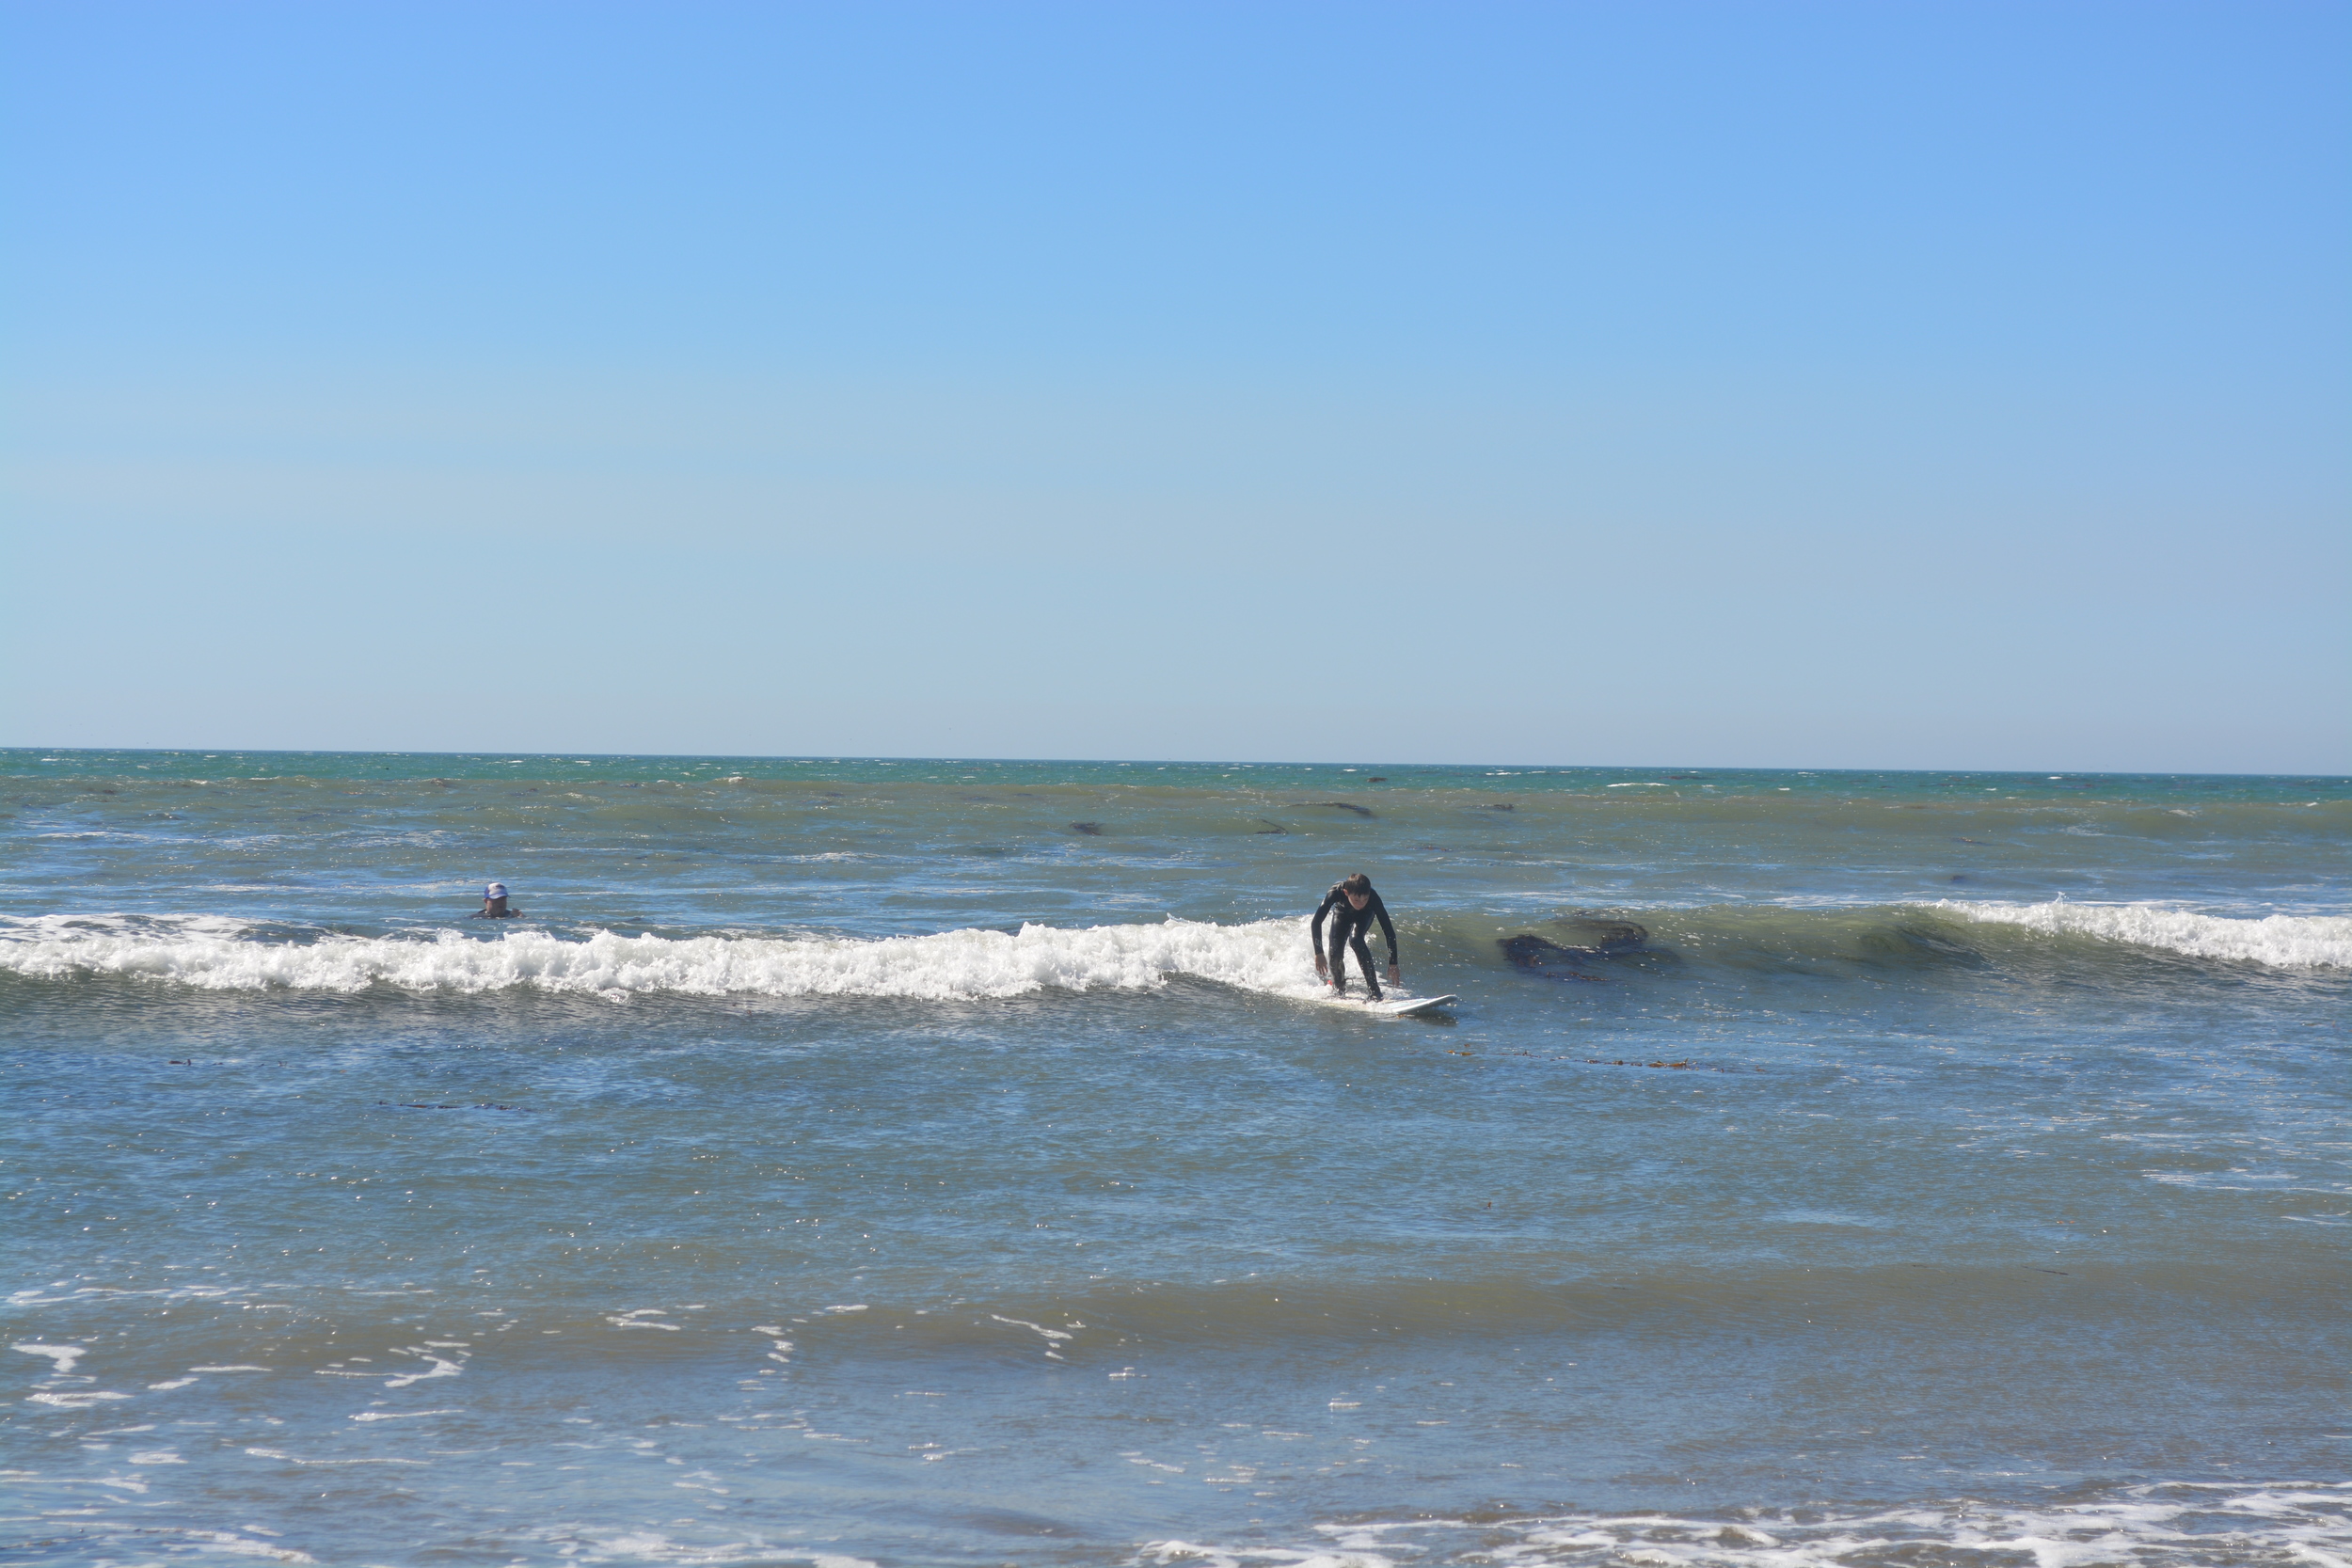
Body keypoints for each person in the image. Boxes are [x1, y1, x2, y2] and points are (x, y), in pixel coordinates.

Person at [1311, 872, 1399, 999]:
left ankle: (1375, 992)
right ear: (1346, 893)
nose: (1360, 904)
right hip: (1342, 914)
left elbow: (1389, 931)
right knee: (1335, 954)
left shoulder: (1373, 898)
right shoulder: (1335, 892)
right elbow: (1316, 922)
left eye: (1365, 899)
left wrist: (1393, 963)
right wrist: (1318, 952)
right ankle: (1339, 989)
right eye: (1356, 900)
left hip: (1365, 915)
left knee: (1356, 940)